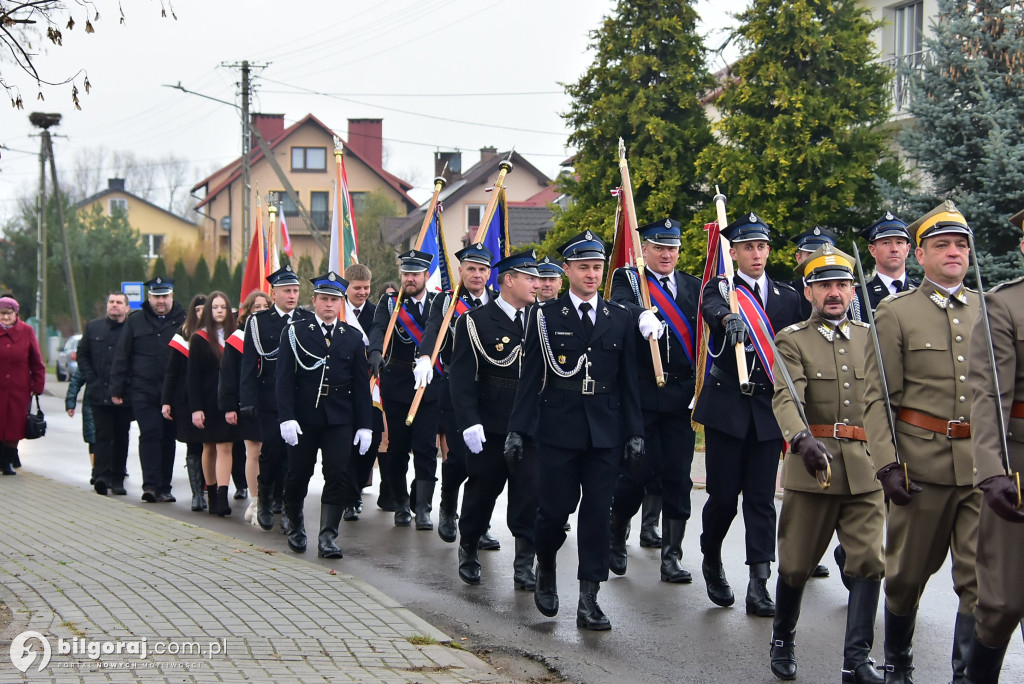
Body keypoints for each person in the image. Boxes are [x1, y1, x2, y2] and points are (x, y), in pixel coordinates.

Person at [862, 201, 981, 683]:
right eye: (942, 245)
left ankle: (966, 674)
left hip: (979, 468)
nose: (953, 252)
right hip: (919, 466)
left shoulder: (987, 311)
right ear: (921, 255)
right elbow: (877, 399)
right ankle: (898, 663)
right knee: (907, 577)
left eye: (960, 245)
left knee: (977, 582)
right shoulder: (895, 313)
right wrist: (887, 464)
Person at [506, 230, 643, 630]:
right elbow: (530, 379)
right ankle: (545, 563)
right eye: (583, 267)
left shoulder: (620, 317)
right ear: (566, 271)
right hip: (558, 428)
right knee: (552, 512)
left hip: (605, 430)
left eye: (597, 267)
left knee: (598, 514)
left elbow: (628, 381)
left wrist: (635, 432)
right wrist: (518, 430)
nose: (591, 275)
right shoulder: (545, 317)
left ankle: (589, 598)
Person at [768, 244, 885, 683]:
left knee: (870, 563)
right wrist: (800, 438)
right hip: (815, 467)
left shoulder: (871, 338)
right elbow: (786, 397)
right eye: (824, 286)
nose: (833, 293)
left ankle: (857, 658)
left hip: (866, 468)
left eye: (840, 285)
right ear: (809, 291)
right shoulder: (793, 339)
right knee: (797, 564)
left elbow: (886, 403)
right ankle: (783, 636)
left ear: (852, 290)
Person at [691, 212, 803, 617]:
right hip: (727, 408)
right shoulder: (723, 289)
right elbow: (710, 307)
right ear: (733, 252)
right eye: (748, 247)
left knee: (760, 498)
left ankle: (759, 582)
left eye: (762, 247)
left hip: (769, 408)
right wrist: (727, 317)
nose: (756, 254)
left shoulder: (789, 296)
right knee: (722, 498)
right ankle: (711, 557)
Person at [608, 218, 703, 584]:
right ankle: (617, 533)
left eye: (672, 248)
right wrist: (639, 313)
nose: (666, 254)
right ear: (644, 249)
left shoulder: (693, 286)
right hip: (642, 395)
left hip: (681, 397)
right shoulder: (629, 281)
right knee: (635, 473)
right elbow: (618, 306)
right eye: (659, 247)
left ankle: (672, 556)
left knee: (678, 477)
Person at [450, 250, 540, 588]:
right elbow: (461, 377)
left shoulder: (540, 319)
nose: (536, 283)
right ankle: (469, 547)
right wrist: (469, 422)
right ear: (508, 280)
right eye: (529, 277)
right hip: (490, 423)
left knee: (529, 493)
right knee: (482, 492)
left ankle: (523, 565)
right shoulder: (475, 321)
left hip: (530, 423)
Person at [964, 207, 1024, 684]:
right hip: (1018, 465)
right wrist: (992, 470)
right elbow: (988, 394)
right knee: (1002, 601)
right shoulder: (1005, 305)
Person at [276, 272, 373, 557]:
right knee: (298, 474)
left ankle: (328, 536)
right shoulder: (295, 332)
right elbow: (284, 379)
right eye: (324, 299)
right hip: (304, 418)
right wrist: (286, 417)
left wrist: (365, 425)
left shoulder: (352, 337)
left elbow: (360, 384)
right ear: (314, 301)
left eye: (335, 300)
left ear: (341, 303)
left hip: (339, 418)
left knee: (337, 475)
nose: (329, 305)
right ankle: (295, 525)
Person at [417, 243, 495, 539]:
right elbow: (433, 330)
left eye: (482, 269)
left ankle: (479, 526)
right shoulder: (446, 301)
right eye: (471, 269)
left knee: (487, 463)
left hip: (491, 389)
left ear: (489, 273)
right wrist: (425, 356)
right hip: (455, 388)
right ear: (460, 271)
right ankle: (449, 505)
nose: (476, 274)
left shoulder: (499, 301)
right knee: (461, 458)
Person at [368, 250, 441, 528]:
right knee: (397, 448)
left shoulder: (438, 303)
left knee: (425, 448)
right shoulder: (390, 303)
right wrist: (375, 351)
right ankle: (400, 503)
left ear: (425, 276)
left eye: (415, 274)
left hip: (428, 385)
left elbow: (437, 331)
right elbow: (378, 328)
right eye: (406, 274)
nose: (410, 279)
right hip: (398, 384)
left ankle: (422, 507)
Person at [240, 265, 312, 531]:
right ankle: (265, 498)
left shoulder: (306, 319)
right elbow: (249, 363)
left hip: (298, 399)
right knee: (270, 452)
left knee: (294, 455)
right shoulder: (258, 322)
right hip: (268, 398)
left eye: (295, 290)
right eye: (286, 291)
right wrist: (246, 400)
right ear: (275, 293)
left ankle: (286, 502)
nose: (292, 296)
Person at [110, 277, 186, 502]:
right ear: (149, 297)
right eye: (156, 297)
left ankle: (165, 486)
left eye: (164, 296)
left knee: (168, 438)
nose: (160, 301)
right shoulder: (136, 321)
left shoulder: (183, 320)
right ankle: (151, 486)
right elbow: (122, 355)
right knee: (151, 434)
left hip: (172, 392)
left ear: (171, 296)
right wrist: (117, 387)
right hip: (143, 390)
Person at [222, 289, 271, 523]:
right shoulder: (237, 338)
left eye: (265, 307)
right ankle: (256, 499)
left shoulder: (278, 333)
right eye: (256, 307)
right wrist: (230, 406)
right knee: (254, 450)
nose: (261, 311)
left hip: (273, 402)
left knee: (274, 452)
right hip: (248, 403)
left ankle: (272, 498)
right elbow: (229, 375)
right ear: (247, 311)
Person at [189, 291, 238, 516]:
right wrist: (196, 408)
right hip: (207, 401)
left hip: (227, 400)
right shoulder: (199, 338)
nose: (219, 311)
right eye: (215, 307)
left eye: (223, 307)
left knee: (226, 446)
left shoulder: (236, 335)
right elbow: (193, 377)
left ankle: (222, 494)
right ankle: (210, 491)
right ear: (208, 311)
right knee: (209, 447)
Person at [339, 263, 382, 522]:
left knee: (373, 439)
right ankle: (347, 496)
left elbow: (380, 338)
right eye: (357, 288)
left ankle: (356, 491)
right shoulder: (338, 311)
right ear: (347, 288)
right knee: (344, 443)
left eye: (366, 287)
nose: (363, 292)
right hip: (343, 387)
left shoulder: (377, 313)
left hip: (372, 387)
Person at [78, 292, 132, 495]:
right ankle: (101, 476)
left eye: (119, 303)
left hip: (123, 395)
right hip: (99, 393)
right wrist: (92, 379)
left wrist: (127, 385)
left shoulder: (131, 329)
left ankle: (118, 478)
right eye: (111, 302)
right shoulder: (93, 327)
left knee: (121, 436)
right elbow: (83, 355)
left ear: (127, 308)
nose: (115, 306)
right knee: (102, 435)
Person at [161, 295, 206, 511]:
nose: (200, 313)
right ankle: (197, 493)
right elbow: (172, 371)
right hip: (185, 399)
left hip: (211, 398)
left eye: (203, 309)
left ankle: (212, 489)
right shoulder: (183, 334)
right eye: (196, 309)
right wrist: (166, 401)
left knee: (215, 445)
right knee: (193, 444)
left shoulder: (220, 334)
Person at [0, 295, 45, 474]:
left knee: (14, 426)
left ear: (16, 314)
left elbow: (36, 361)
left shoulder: (26, 331)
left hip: (19, 389)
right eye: (1, 314)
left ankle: (7, 462)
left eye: (8, 314)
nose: (4, 318)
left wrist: (38, 384)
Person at [372, 280, 399, 512]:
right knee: (383, 438)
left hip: (397, 382)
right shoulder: (379, 317)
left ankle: (390, 490)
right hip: (377, 380)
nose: (392, 299)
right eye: (387, 296)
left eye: (395, 295)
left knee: (392, 439)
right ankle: (385, 488)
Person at [859, 212, 919, 311]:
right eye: (886, 243)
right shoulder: (859, 297)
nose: (894, 249)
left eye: (899, 242)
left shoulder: (923, 292)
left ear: (907, 249)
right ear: (872, 250)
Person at [787, 226, 840, 323]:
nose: (816, 261)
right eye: (810, 255)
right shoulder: (787, 296)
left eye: (821, 255)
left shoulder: (843, 294)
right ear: (799, 258)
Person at [65, 369, 96, 480]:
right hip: (92, 401)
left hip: (114, 402)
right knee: (93, 438)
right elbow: (76, 380)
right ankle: (96, 469)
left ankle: (114, 469)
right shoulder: (91, 355)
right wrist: (70, 402)